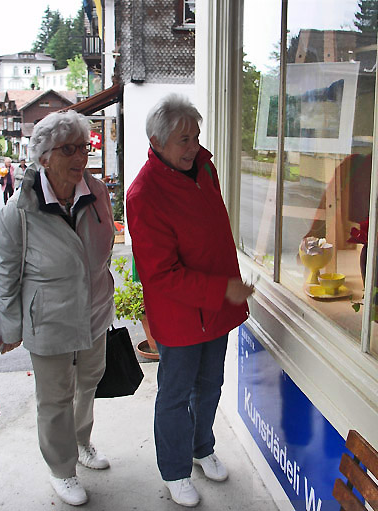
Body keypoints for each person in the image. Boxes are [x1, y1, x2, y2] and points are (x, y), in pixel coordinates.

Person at [126, 94, 253, 507]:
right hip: (181, 316)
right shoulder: (143, 194)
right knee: (176, 395)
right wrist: (223, 291)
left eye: (196, 136)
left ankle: (201, 448)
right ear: (156, 141)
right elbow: (161, 275)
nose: (193, 146)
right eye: (183, 139)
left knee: (211, 384)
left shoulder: (204, 168)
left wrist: (224, 291)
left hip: (215, 308)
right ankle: (175, 470)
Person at [0, 110, 115, 507]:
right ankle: (61, 469)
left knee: (89, 382)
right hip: (49, 320)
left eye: (84, 147)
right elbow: (5, 273)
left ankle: (80, 443)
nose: (81, 156)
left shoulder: (95, 193)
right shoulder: (20, 211)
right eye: (68, 150)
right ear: (44, 157)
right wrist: (11, 328)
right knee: (55, 397)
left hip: (94, 312)